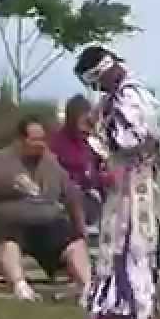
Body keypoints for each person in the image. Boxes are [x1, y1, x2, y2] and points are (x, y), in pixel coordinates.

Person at [75, 45, 160, 319]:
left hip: (133, 179)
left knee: (131, 243)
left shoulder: (130, 97)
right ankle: (120, 309)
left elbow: (137, 137)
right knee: (120, 243)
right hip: (128, 180)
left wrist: (101, 139)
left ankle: (130, 311)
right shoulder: (122, 96)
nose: (97, 89)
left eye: (97, 82)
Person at [0, 116, 92, 301]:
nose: (40, 145)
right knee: (6, 238)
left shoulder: (52, 164)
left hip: (45, 222)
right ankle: (20, 286)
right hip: (6, 222)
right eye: (35, 140)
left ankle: (88, 286)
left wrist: (80, 227)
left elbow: (71, 195)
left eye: (43, 140)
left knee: (72, 239)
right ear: (20, 140)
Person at [50, 93, 108, 225]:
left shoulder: (90, 143)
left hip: (90, 196)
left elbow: (94, 173)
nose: (86, 128)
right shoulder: (57, 143)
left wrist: (103, 177)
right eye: (83, 122)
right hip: (67, 199)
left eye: (89, 123)